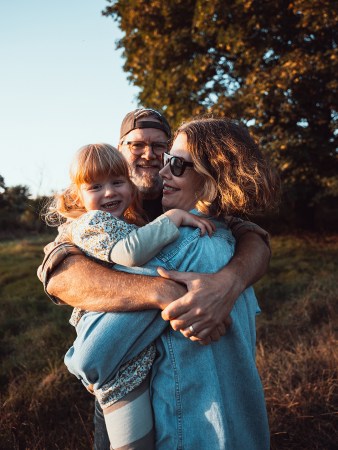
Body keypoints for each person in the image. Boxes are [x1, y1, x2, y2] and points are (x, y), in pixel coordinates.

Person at [37, 108, 271, 449]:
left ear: (209, 175)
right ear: (119, 150)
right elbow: (58, 266)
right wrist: (160, 290)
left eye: (164, 151)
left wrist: (230, 281)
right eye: (136, 146)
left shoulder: (199, 230)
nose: (153, 160)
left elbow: (255, 237)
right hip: (206, 411)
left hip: (186, 413)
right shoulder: (100, 213)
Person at [45, 142, 215, 449]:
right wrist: (174, 217)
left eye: (117, 182)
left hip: (135, 356)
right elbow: (129, 252)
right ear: (78, 195)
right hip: (117, 359)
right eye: (96, 186)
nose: (109, 193)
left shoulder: (123, 220)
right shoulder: (92, 223)